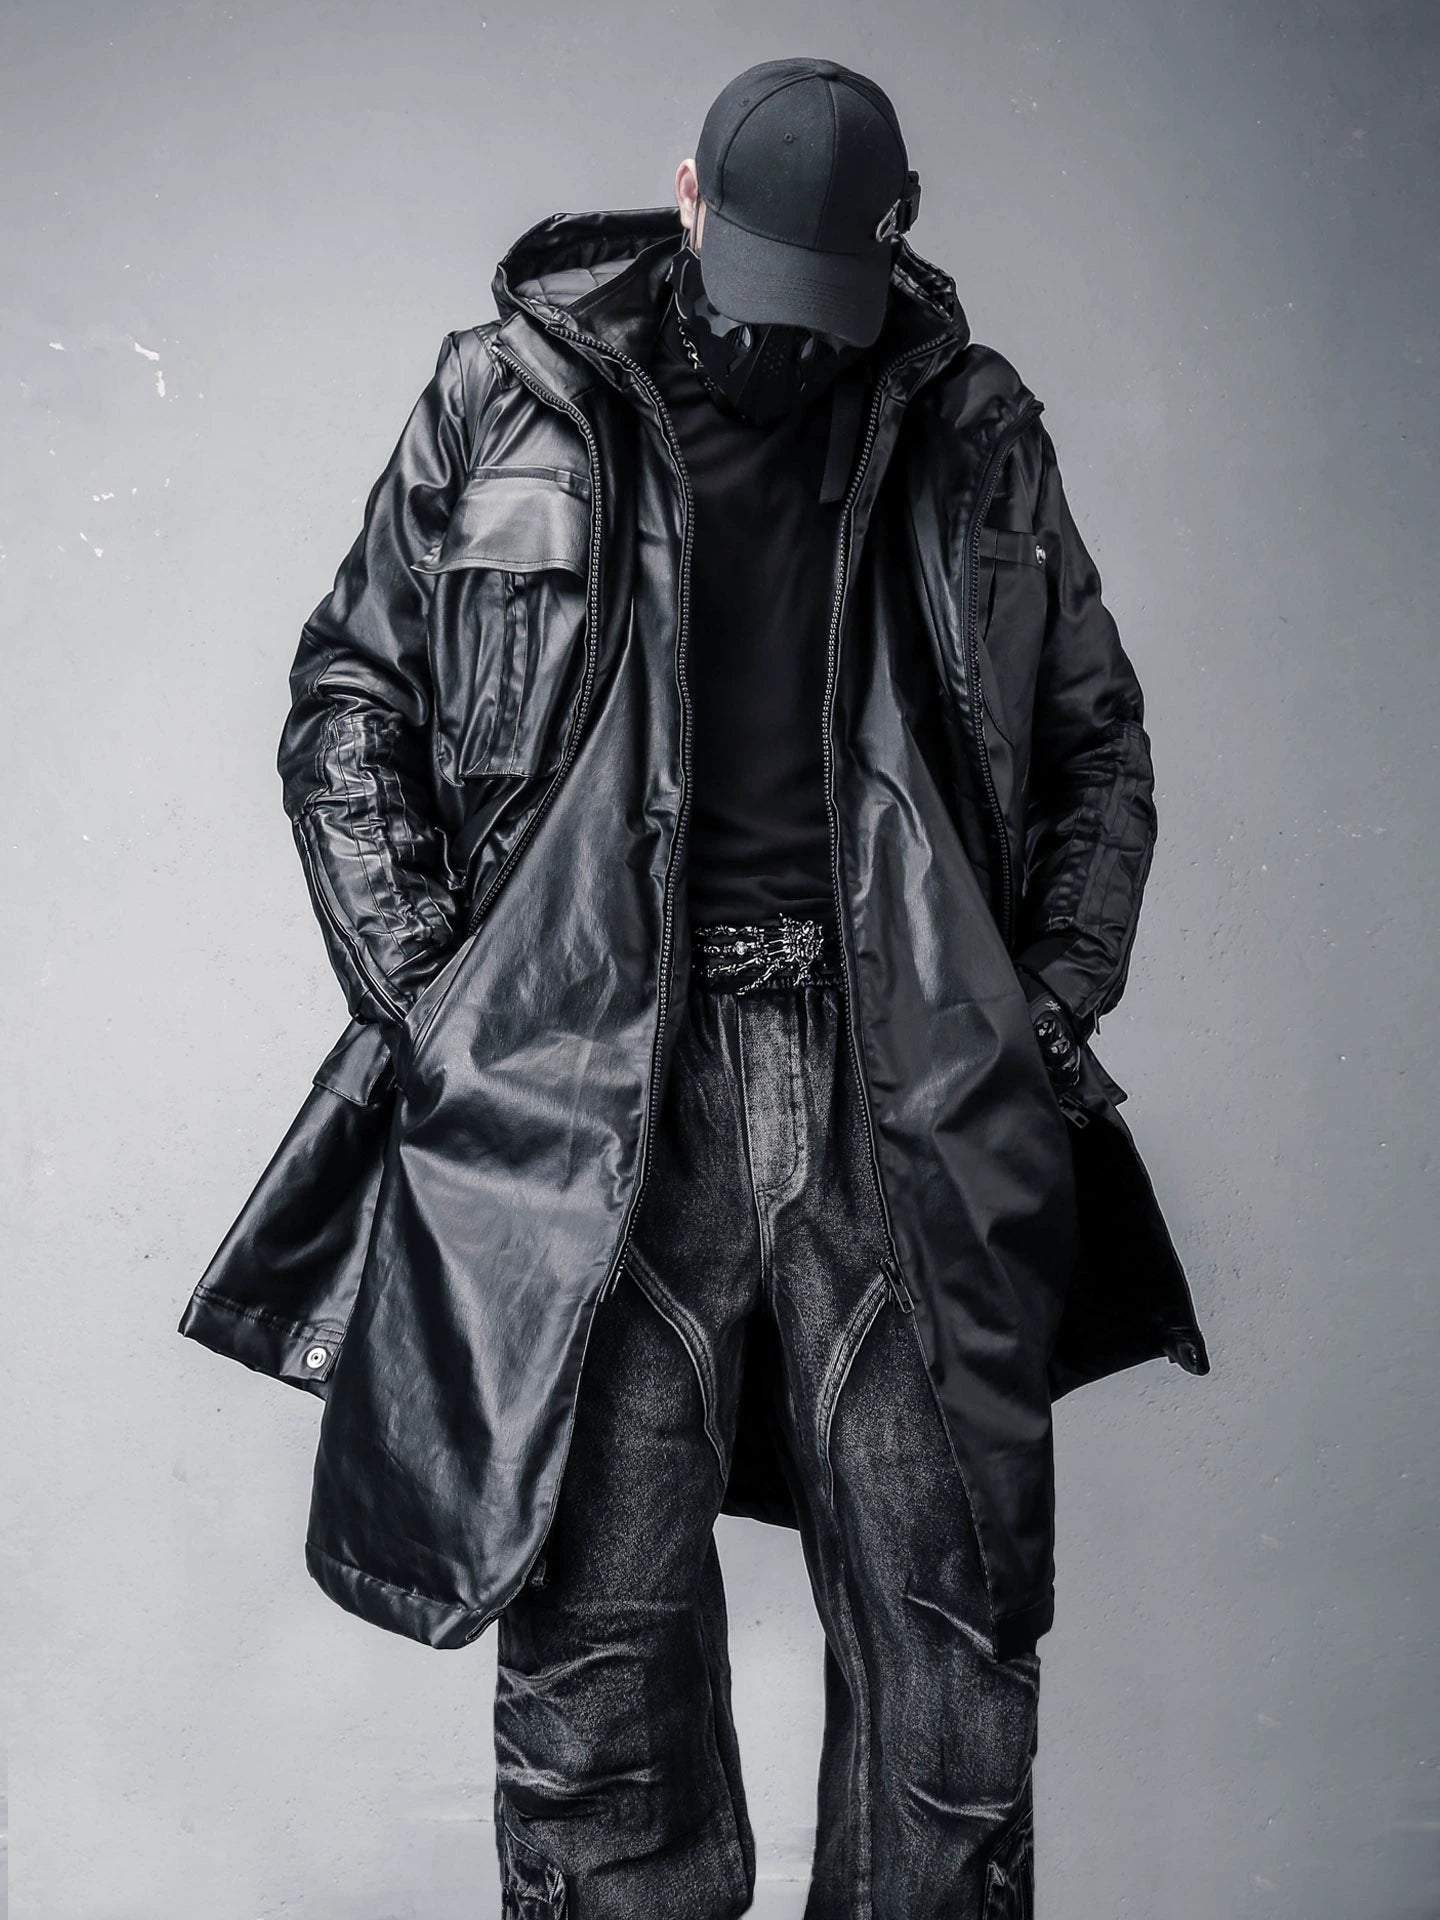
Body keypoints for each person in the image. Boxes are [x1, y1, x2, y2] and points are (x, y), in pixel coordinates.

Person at [180, 54, 1210, 1920]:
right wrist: (437, 1005)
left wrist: (1043, 1007)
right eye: (753, 290)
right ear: (683, 199)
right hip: (590, 1083)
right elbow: (350, 703)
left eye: (827, 304)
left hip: (905, 1080)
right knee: (598, 1661)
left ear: (897, 242)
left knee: (954, 1660)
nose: (786, 343)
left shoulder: (971, 425)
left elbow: (1097, 743)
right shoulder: (508, 397)